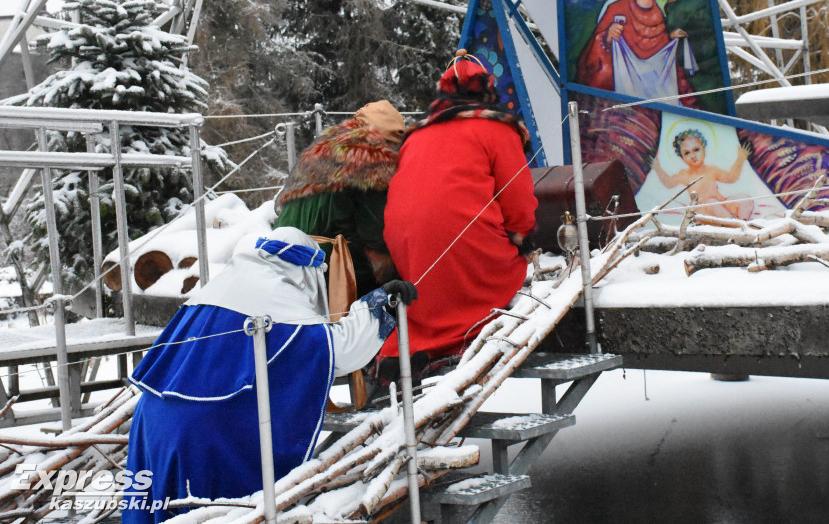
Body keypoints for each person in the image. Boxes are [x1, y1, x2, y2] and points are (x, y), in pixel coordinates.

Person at [123, 226, 416, 524]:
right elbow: (341, 350)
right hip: (208, 440)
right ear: (305, 271)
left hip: (152, 428)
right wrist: (381, 305)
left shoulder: (209, 294)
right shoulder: (280, 303)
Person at [378, 51, 537, 381]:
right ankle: (461, 334)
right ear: (487, 91)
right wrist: (521, 239)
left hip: (411, 259)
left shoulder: (414, 137)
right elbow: (520, 207)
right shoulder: (497, 128)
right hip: (468, 251)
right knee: (508, 269)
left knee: (430, 288)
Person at [273, 100, 405, 296]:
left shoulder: (323, 148)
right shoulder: (372, 158)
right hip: (328, 268)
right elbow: (377, 233)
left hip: (282, 253)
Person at [576, 0, 700, 107]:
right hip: (622, 89)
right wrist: (607, 37)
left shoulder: (657, 13)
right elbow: (591, 59)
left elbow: (654, 52)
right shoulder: (617, 8)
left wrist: (670, 38)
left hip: (650, 88)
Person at [650, 128, 754, 219]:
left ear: (704, 150)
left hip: (720, 205)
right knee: (712, 203)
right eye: (687, 153)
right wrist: (657, 168)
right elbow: (669, 182)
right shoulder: (685, 174)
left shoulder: (711, 170)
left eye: (696, 150)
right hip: (704, 211)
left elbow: (731, 177)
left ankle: (743, 224)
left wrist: (740, 158)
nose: (693, 155)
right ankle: (732, 223)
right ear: (682, 157)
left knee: (745, 199)